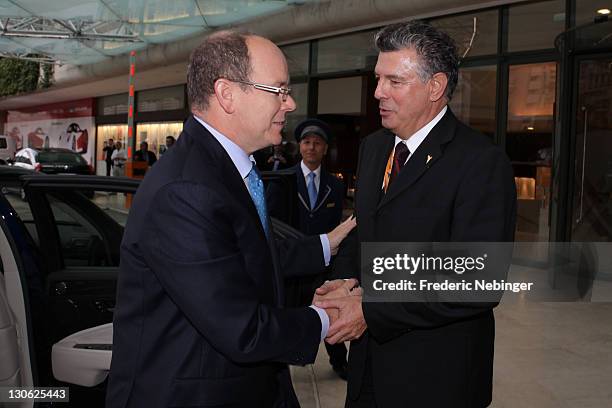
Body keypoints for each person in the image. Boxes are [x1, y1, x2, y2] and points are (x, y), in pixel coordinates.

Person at [106, 30, 357, 408]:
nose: (290, 103)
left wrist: (326, 243)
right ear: (227, 94)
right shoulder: (186, 190)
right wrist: (328, 317)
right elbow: (241, 329)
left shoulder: (225, 170)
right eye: (278, 90)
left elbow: (242, 258)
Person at [314, 21, 517, 408]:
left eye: (394, 81)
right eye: (378, 79)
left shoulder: (480, 162)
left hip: (437, 374)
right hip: (368, 366)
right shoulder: (375, 148)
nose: (378, 93)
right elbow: (365, 230)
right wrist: (342, 280)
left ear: (435, 87)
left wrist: (371, 309)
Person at [269, 118, 349, 379]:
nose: (311, 147)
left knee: (329, 309)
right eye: (306, 142)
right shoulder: (282, 180)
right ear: (299, 146)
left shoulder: (335, 186)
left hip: (324, 262)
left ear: (325, 149)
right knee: (289, 313)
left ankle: (339, 361)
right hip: (292, 263)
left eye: (317, 143)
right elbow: (270, 220)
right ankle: (283, 360)